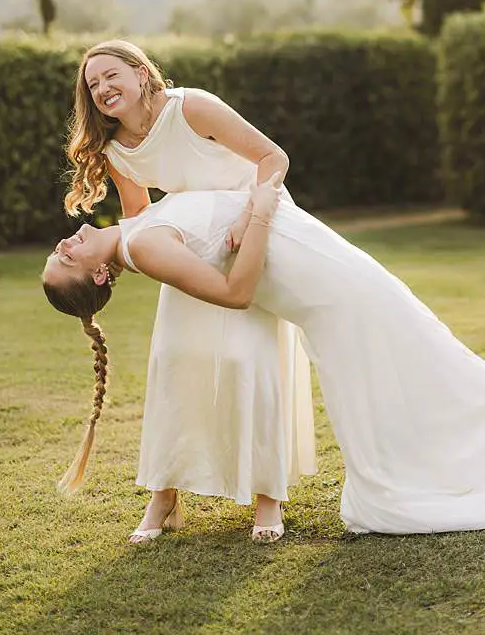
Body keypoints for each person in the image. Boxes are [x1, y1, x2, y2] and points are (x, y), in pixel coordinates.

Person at [42, 175, 485, 535]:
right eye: (67, 258)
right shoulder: (143, 248)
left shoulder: (137, 226)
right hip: (320, 289)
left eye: (59, 248)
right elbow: (237, 292)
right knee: (422, 345)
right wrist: (256, 213)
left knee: (417, 351)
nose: (66, 241)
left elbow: (152, 177)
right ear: (99, 273)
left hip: (314, 256)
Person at [64, 41, 313, 543]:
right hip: (186, 246)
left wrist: (249, 217)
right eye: (93, 85)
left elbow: (273, 157)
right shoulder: (115, 151)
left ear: (140, 73)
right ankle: (165, 496)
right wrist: (153, 257)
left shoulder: (190, 106)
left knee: (250, 359)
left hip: (249, 234)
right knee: (175, 361)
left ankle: (269, 497)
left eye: (111, 76)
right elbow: (140, 217)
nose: (103, 89)